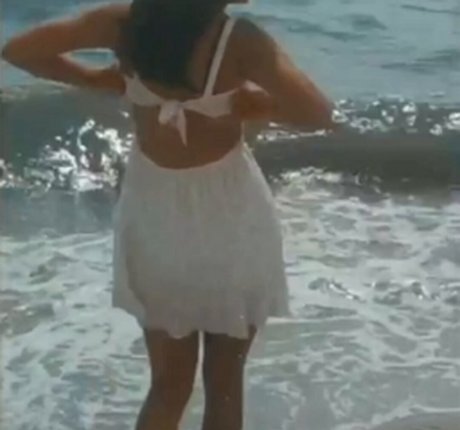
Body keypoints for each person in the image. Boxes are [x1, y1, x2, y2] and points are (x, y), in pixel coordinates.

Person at [2, 1, 334, 429]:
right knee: (225, 384)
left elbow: (19, 51)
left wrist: (95, 79)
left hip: (154, 211)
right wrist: (255, 106)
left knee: (168, 386)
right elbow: (316, 112)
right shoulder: (238, 40)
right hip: (231, 211)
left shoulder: (125, 23)